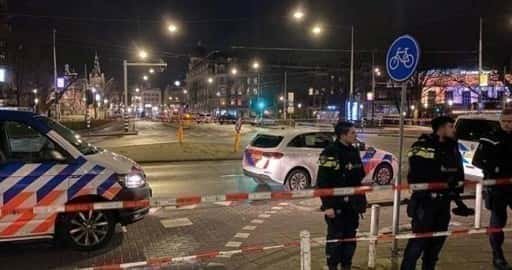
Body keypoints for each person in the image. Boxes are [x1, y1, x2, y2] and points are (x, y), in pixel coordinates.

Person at [401, 116, 472, 270]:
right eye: (450, 126)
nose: (454, 129)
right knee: (417, 243)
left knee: (436, 244)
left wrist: (459, 201)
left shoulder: (452, 146)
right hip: (425, 202)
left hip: (443, 202)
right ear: (441, 128)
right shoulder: (422, 145)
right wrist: (443, 177)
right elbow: (417, 171)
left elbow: (457, 173)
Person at [317, 121, 367, 270]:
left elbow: (360, 175)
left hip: (352, 206)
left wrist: (361, 200)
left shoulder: (354, 151)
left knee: (350, 240)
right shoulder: (330, 152)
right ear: (342, 135)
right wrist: (327, 206)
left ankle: (347, 266)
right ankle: (332, 266)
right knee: (335, 241)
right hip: (336, 206)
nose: (355, 135)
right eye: (352, 133)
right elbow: (323, 181)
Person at [472, 108, 512, 270]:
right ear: (500, 121)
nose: (508, 125)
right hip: (497, 187)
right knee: (497, 222)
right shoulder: (490, 137)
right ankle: (497, 256)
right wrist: (494, 169)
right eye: (505, 122)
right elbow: (477, 160)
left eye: (511, 122)